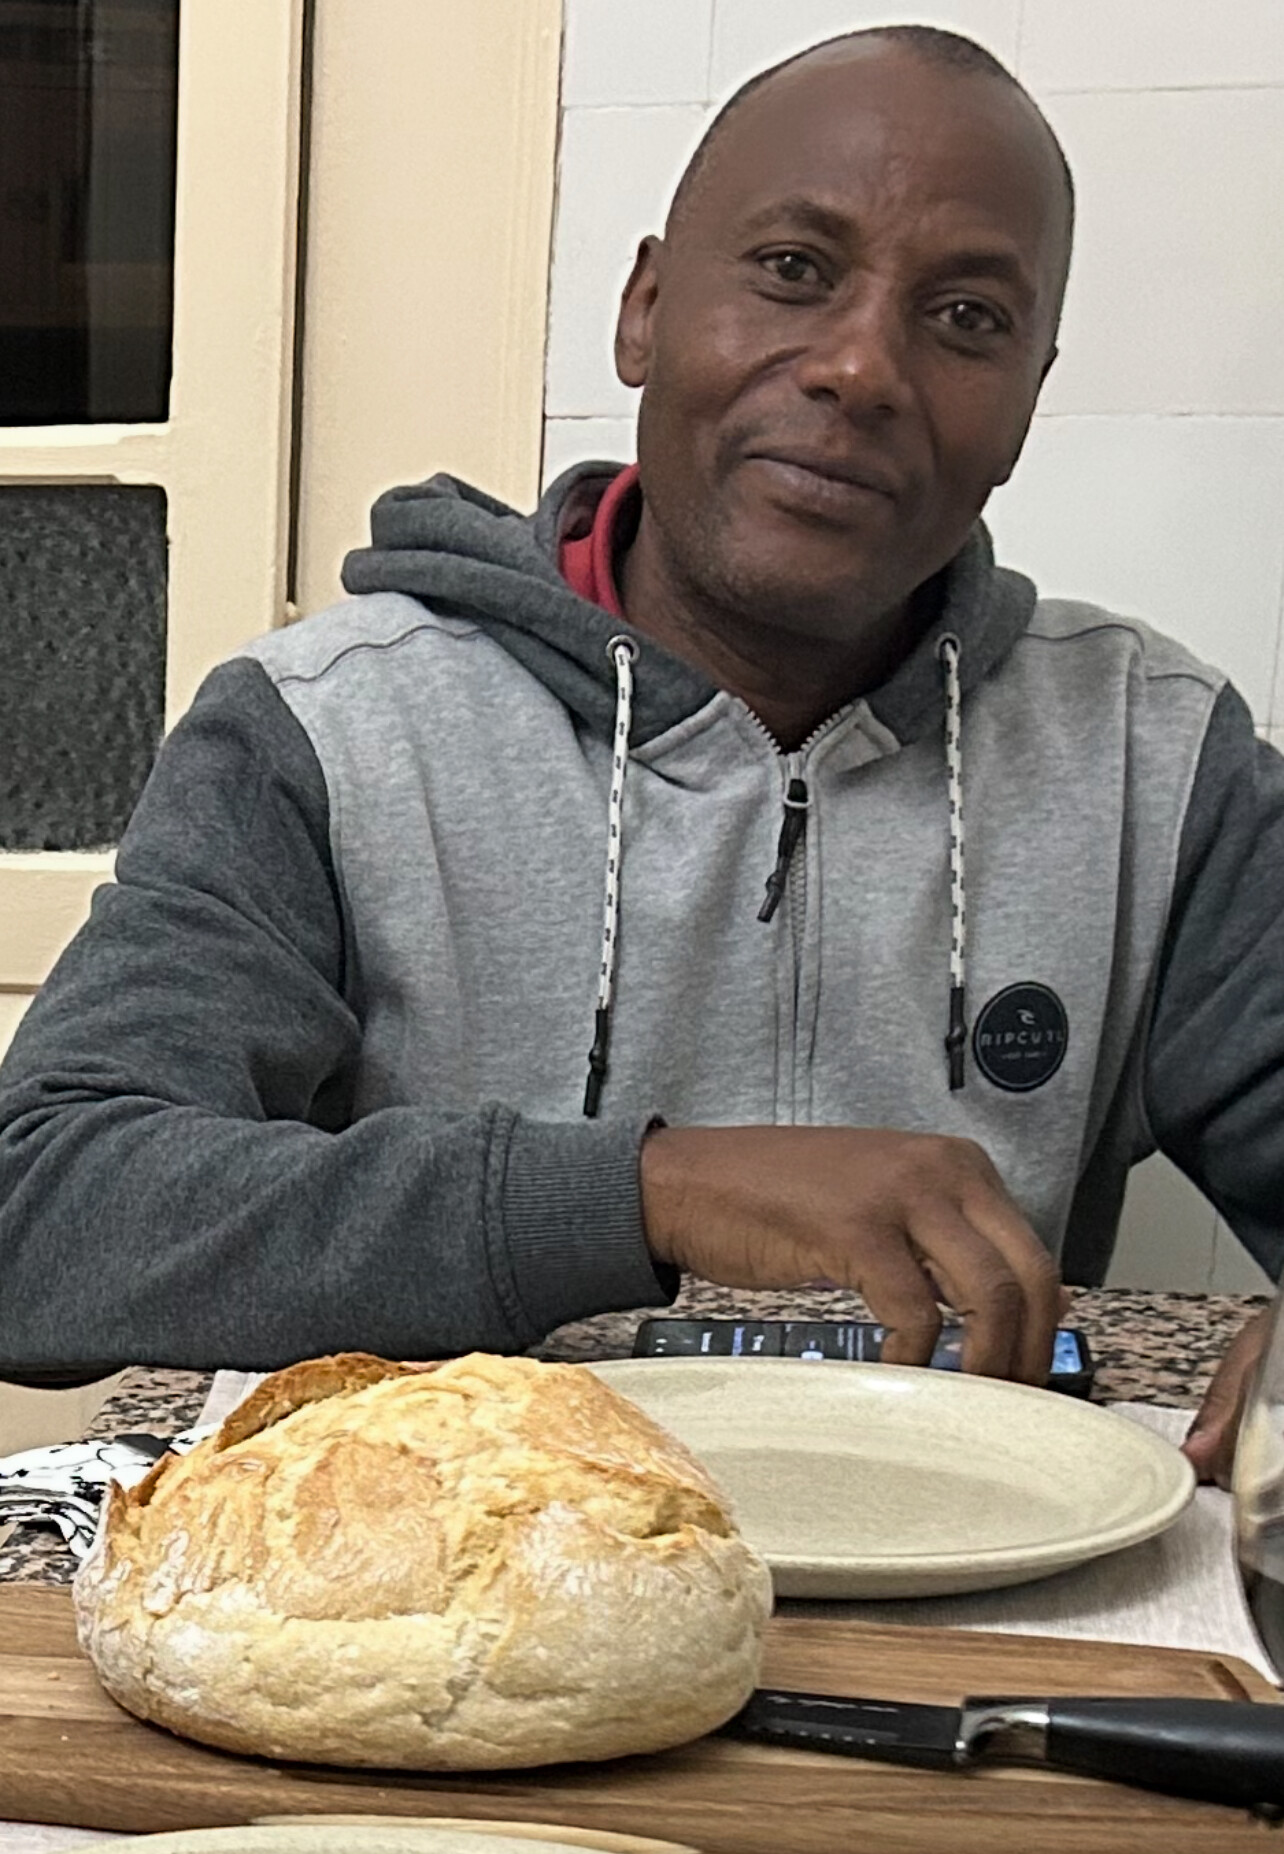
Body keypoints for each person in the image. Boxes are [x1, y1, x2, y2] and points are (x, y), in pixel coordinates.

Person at [0, 26, 1278, 1487]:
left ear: (1030, 398)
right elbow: (44, 1218)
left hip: (987, 1568)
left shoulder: (1155, 759)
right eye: (793, 269)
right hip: (464, 1573)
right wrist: (644, 1192)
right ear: (647, 312)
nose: (862, 367)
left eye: (967, 317)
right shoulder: (329, 731)